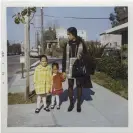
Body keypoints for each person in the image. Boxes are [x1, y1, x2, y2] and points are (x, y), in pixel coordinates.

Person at [62, 27, 93, 112]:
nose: (68, 36)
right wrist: (63, 70)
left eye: (69, 34)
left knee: (79, 85)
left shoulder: (81, 43)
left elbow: (86, 56)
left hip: (78, 67)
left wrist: (85, 66)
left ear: (73, 34)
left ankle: (78, 103)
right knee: (70, 86)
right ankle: (71, 103)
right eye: (68, 34)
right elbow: (64, 58)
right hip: (69, 67)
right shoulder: (67, 44)